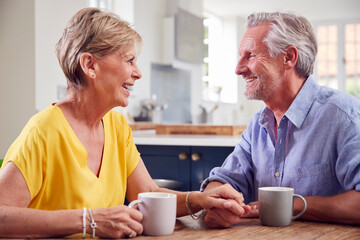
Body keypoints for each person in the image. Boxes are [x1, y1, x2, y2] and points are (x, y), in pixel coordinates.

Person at [0, 8, 248, 238]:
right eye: (129, 60)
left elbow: (149, 192)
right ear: (89, 65)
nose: (138, 72)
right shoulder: (43, 131)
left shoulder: (117, 126)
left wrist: (200, 199)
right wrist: (88, 221)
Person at [201, 11, 360, 228]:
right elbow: (226, 179)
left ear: (288, 58)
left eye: (251, 55)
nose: (238, 69)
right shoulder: (258, 124)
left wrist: (292, 205)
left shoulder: (345, 116)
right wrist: (214, 201)